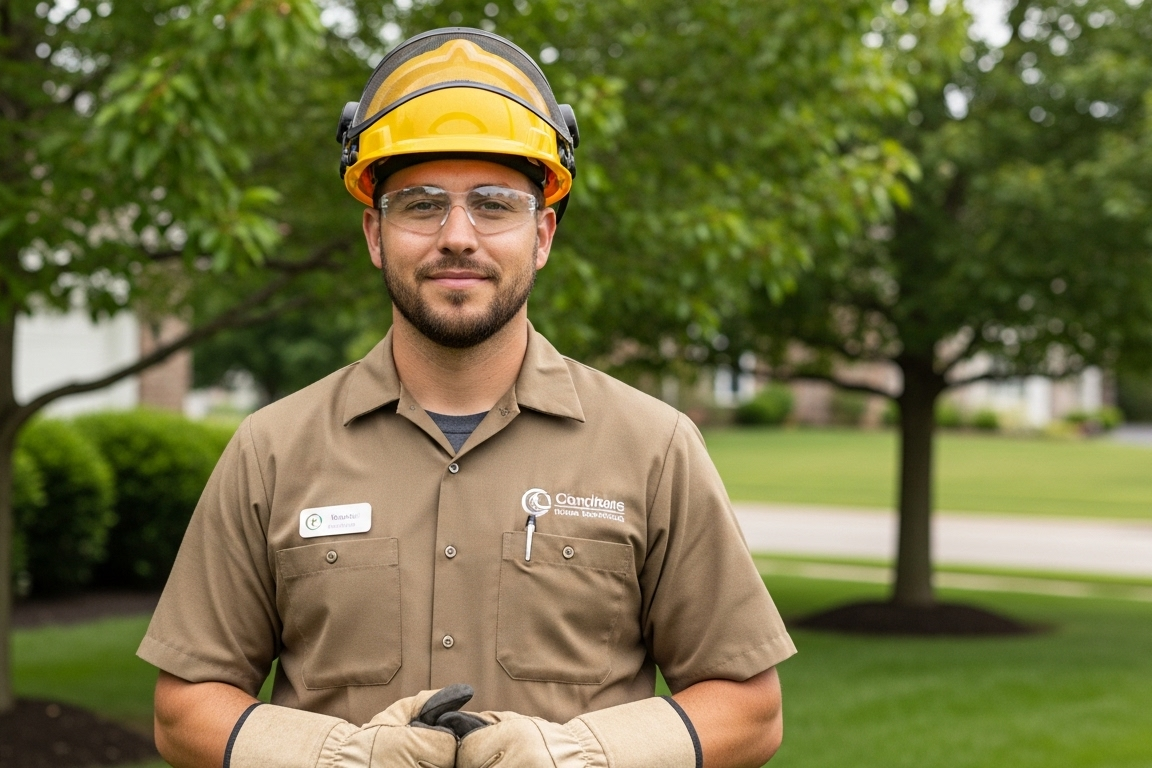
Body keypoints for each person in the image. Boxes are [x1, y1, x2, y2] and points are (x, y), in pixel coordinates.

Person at [140, 28, 796, 768]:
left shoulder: (654, 447)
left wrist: (580, 755)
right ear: (374, 233)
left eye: (494, 204)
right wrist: (332, 757)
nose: (457, 236)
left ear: (542, 233)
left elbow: (750, 709)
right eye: (420, 205)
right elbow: (183, 708)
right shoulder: (271, 450)